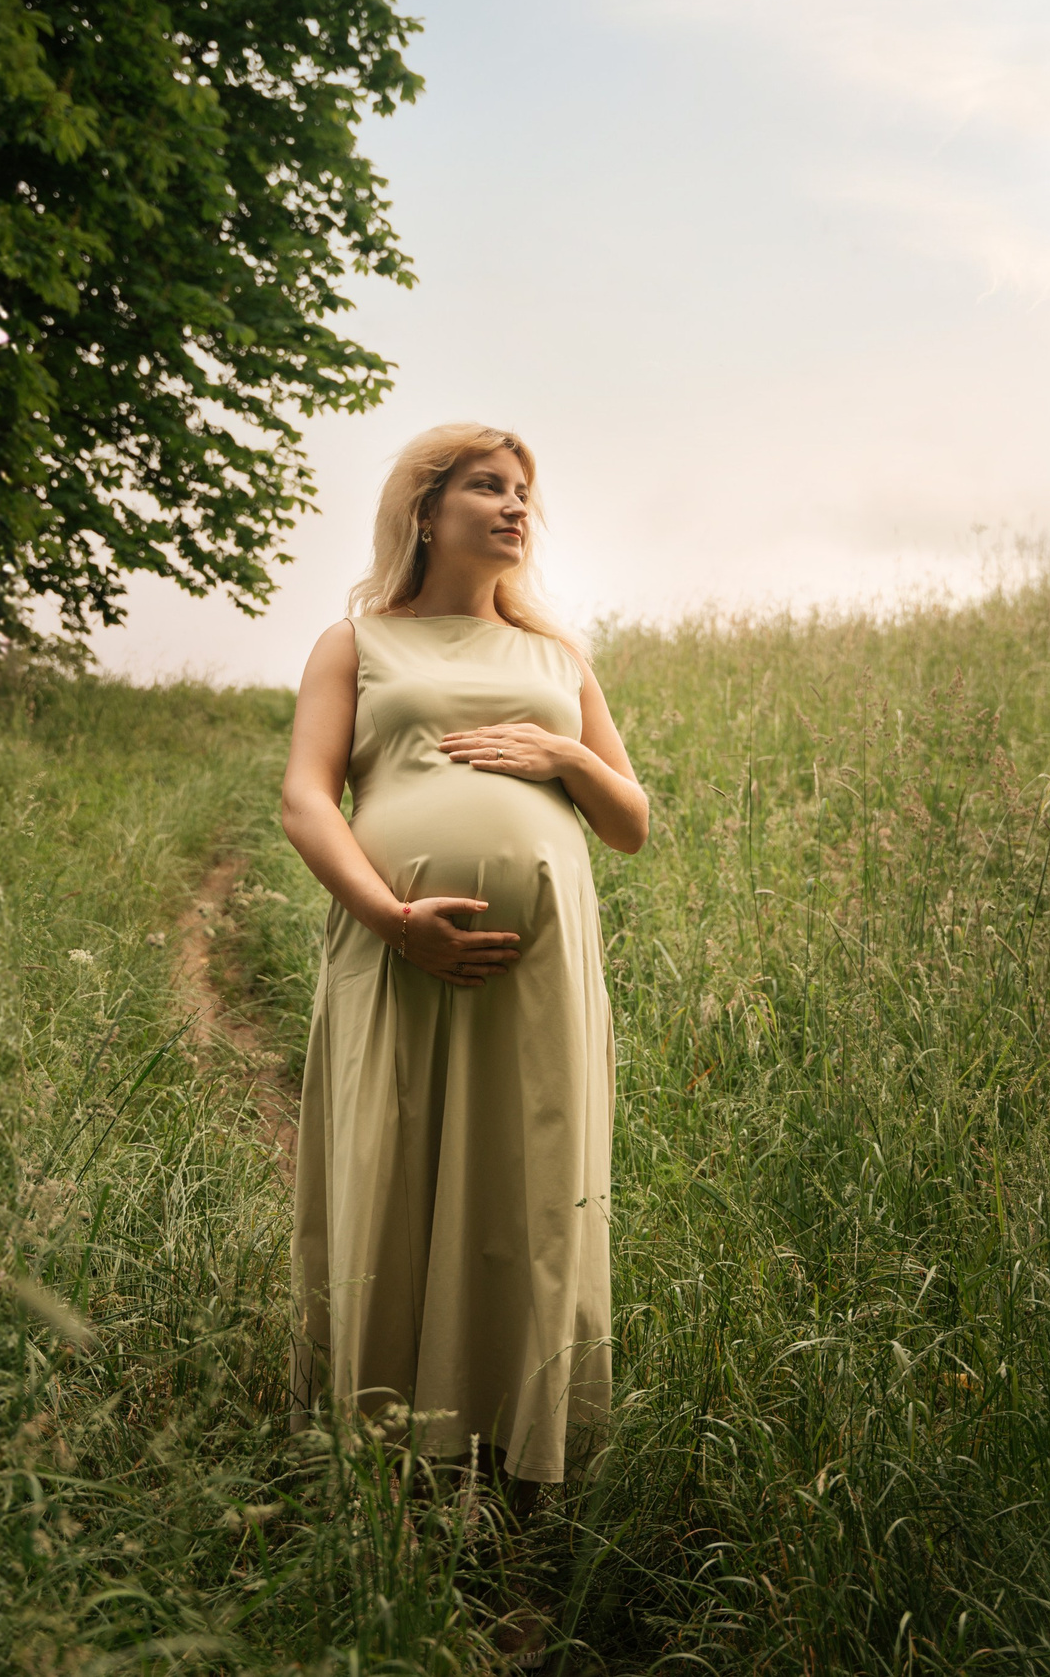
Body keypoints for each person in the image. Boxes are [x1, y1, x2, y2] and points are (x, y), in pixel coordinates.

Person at [279, 423, 647, 1497]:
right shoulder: (357, 642)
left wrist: (565, 753)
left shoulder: (556, 659)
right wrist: (394, 918)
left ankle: (517, 1444)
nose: (514, 504)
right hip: (393, 951)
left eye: (524, 489)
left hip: (536, 969)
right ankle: (385, 1438)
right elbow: (308, 798)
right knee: (394, 1161)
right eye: (488, 485)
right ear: (425, 510)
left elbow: (628, 822)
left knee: (528, 1182)